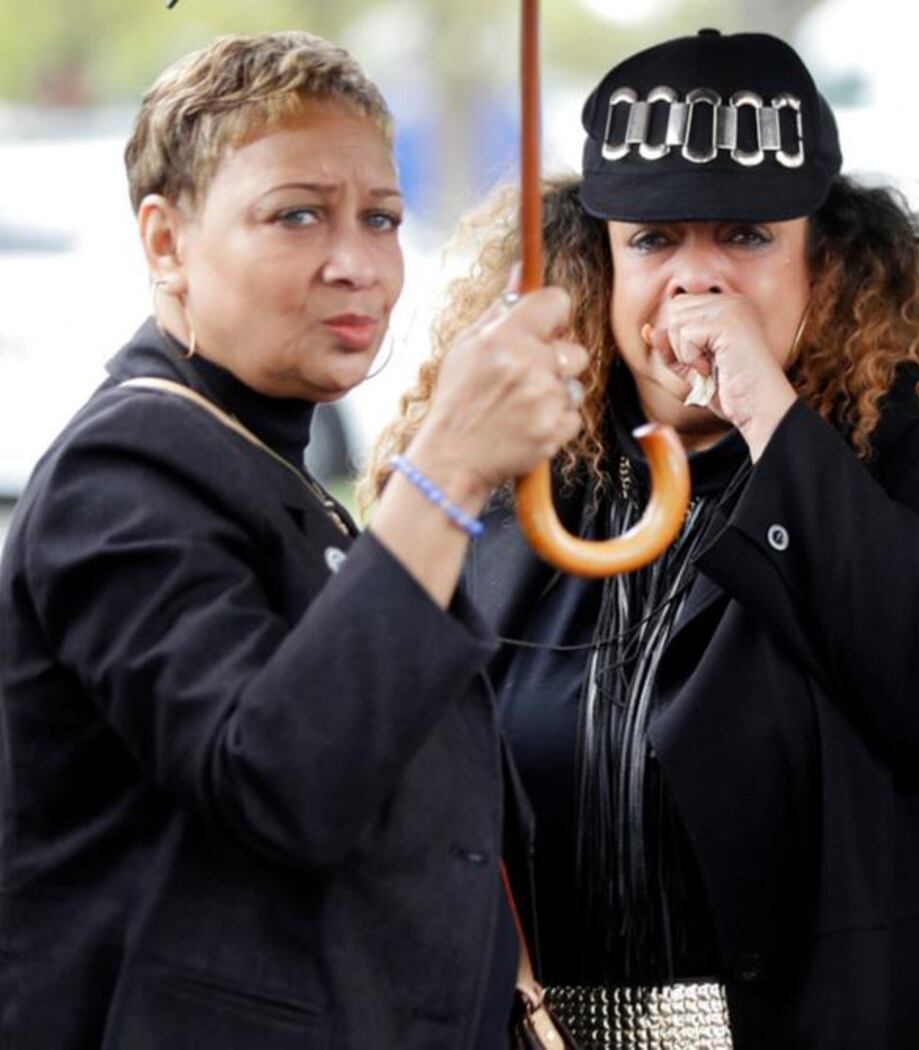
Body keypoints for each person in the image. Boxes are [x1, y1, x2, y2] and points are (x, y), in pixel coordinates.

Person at [366, 29, 919, 1049]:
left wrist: (769, 417)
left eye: (743, 237)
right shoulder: (529, 462)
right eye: (652, 241)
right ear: (593, 261)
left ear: (826, 258)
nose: (696, 282)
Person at [0, 32, 588, 1048]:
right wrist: (445, 466)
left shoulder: (271, 467)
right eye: (296, 215)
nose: (355, 263)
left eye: (383, 218)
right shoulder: (126, 471)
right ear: (165, 242)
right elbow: (280, 778)